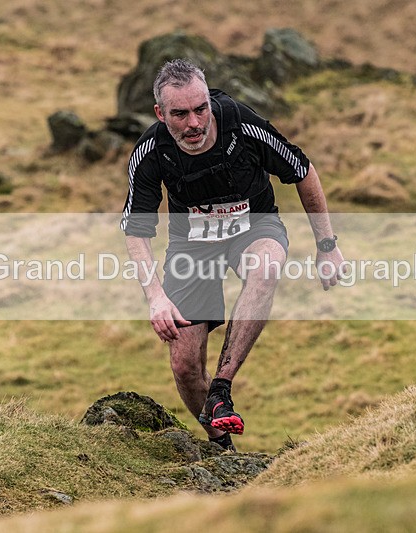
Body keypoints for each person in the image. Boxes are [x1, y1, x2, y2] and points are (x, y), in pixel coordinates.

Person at [120, 58, 346, 451]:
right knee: (185, 367)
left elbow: (303, 171)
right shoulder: (150, 152)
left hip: (254, 227)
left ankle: (222, 386)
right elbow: (136, 231)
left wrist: (327, 247)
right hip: (192, 246)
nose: (194, 123)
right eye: (180, 114)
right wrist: (155, 296)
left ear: (209, 100)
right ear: (160, 113)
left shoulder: (241, 123)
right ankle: (223, 448)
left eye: (200, 108)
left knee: (266, 264)